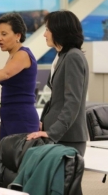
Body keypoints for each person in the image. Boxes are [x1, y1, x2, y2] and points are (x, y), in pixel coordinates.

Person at [26, 10, 89, 157]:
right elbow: (56, 100)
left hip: (68, 137)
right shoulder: (62, 56)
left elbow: (73, 102)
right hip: (59, 134)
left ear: (60, 31)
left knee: (64, 180)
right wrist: (44, 123)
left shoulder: (73, 57)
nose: (44, 34)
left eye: (47, 29)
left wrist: (52, 132)